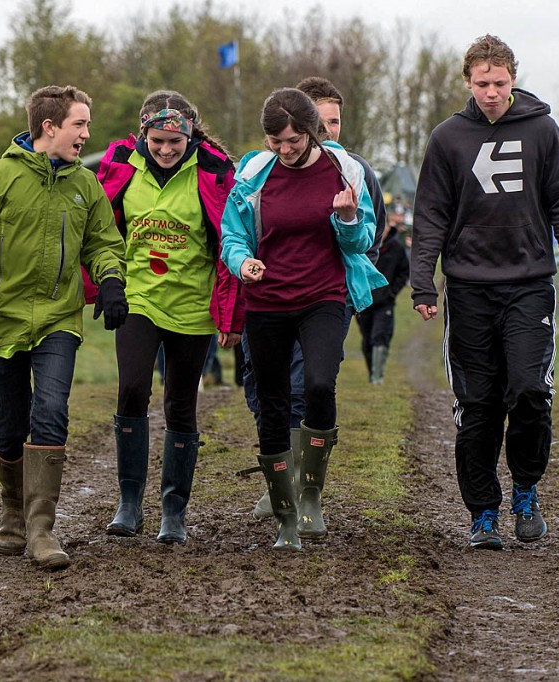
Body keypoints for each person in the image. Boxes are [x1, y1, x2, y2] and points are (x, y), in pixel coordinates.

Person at [0, 85, 127, 570]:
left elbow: (103, 243)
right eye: (80, 124)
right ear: (49, 127)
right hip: (3, 320)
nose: (86, 134)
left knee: (52, 409)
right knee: (9, 424)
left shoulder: (85, 186)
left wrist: (111, 280)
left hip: (59, 318)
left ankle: (41, 528)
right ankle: (12, 514)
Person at [410, 35, 559, 550]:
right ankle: (483, 513)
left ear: (513, 79)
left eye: (500, 83)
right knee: (478, 405)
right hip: (468, 290)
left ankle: (526, 489)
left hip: (529, 285)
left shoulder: (543, 131)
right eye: (482, 83)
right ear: (468, 81)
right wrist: (424, 280)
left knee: (530, 391)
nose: (491, 92)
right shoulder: (447, 138)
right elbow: (431, 216)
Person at [221, 88, 385, 551]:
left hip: (324, 297)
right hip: (266, 300)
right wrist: (241, 262)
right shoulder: (254, 171)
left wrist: (350, 218)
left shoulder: (343, 170)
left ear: (311, 131)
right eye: (275, 141)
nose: (284, 150)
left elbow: (362, 241)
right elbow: (232, 234)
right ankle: (285, 517)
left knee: (317, 385)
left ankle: (311, 493)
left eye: (292, 141)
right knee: (271, 401)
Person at [97, 92, 242, 544]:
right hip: (138, 297)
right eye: (157, 140)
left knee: (181, 401)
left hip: (191, 304)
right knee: (133, 387)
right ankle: (129, 503)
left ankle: (174, 510)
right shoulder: (121, 166)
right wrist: (108, 282)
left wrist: (229, 310)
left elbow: (231, 238)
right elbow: (102, 226)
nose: (165, 149)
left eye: (174, 142)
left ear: (190, 133)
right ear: (144, 132)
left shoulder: (215, 171)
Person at [356, 211, 409, 384]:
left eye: (384, 225)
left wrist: (392, 292)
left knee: (380, 336)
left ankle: (377, 378)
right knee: (367, 339)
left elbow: (403, 271)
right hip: (364, 302)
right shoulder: (362, 245)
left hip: (384, 302)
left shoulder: (396, 248)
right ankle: (371, 372)